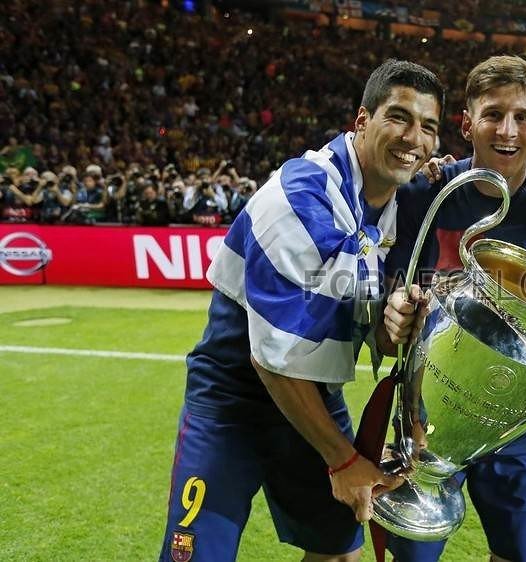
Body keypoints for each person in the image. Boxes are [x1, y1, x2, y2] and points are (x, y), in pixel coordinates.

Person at [158, 59, 445, 562]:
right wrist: (342, 460)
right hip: (234, 398)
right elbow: (272, 361)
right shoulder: (298, 200)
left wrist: (393, 324)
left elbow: (371, 324)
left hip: (316, 393)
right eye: (399, 117)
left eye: (428, 126)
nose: (413, 138)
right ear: (362, 120)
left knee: (339, 552)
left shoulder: (402, 208)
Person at [382, 54, 526, 562]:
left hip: (512, 425)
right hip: (423, 416)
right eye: (493, 114)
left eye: (522, 117)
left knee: (516, 554)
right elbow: (393, 298)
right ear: (467, 123)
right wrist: (394, 311)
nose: (507, 130)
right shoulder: (425, 193)